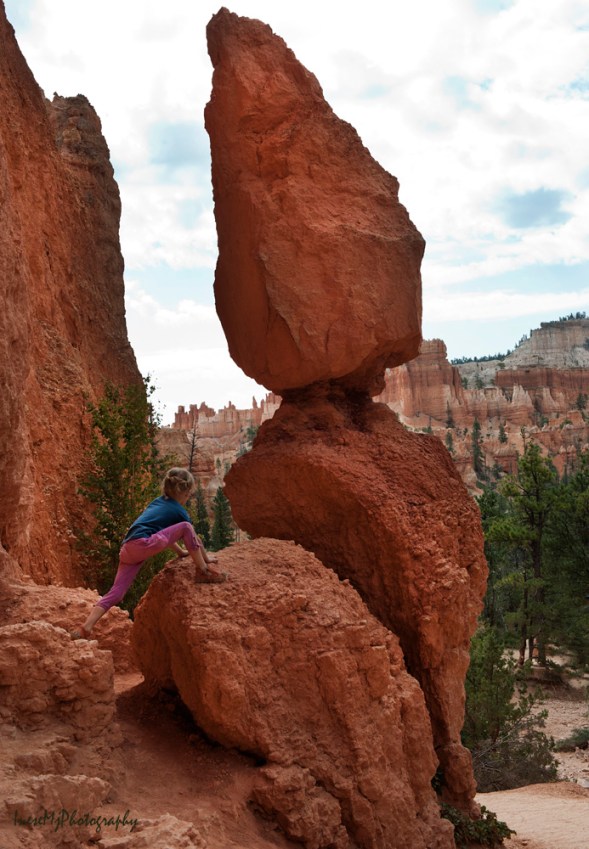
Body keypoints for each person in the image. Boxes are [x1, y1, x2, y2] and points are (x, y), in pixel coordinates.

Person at [71, 467, 227, 639]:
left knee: (116, 593)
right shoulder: (178, 510)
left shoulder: (158, 502)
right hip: (142, 543)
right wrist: (205, 559)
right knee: (186, 527)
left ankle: (85, 627)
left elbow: (163, 532)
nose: (189, 497)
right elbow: (192, 535)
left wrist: (181, 552)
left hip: (128, 549)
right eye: (189, 493)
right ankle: (203, 571)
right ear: (183, 492)